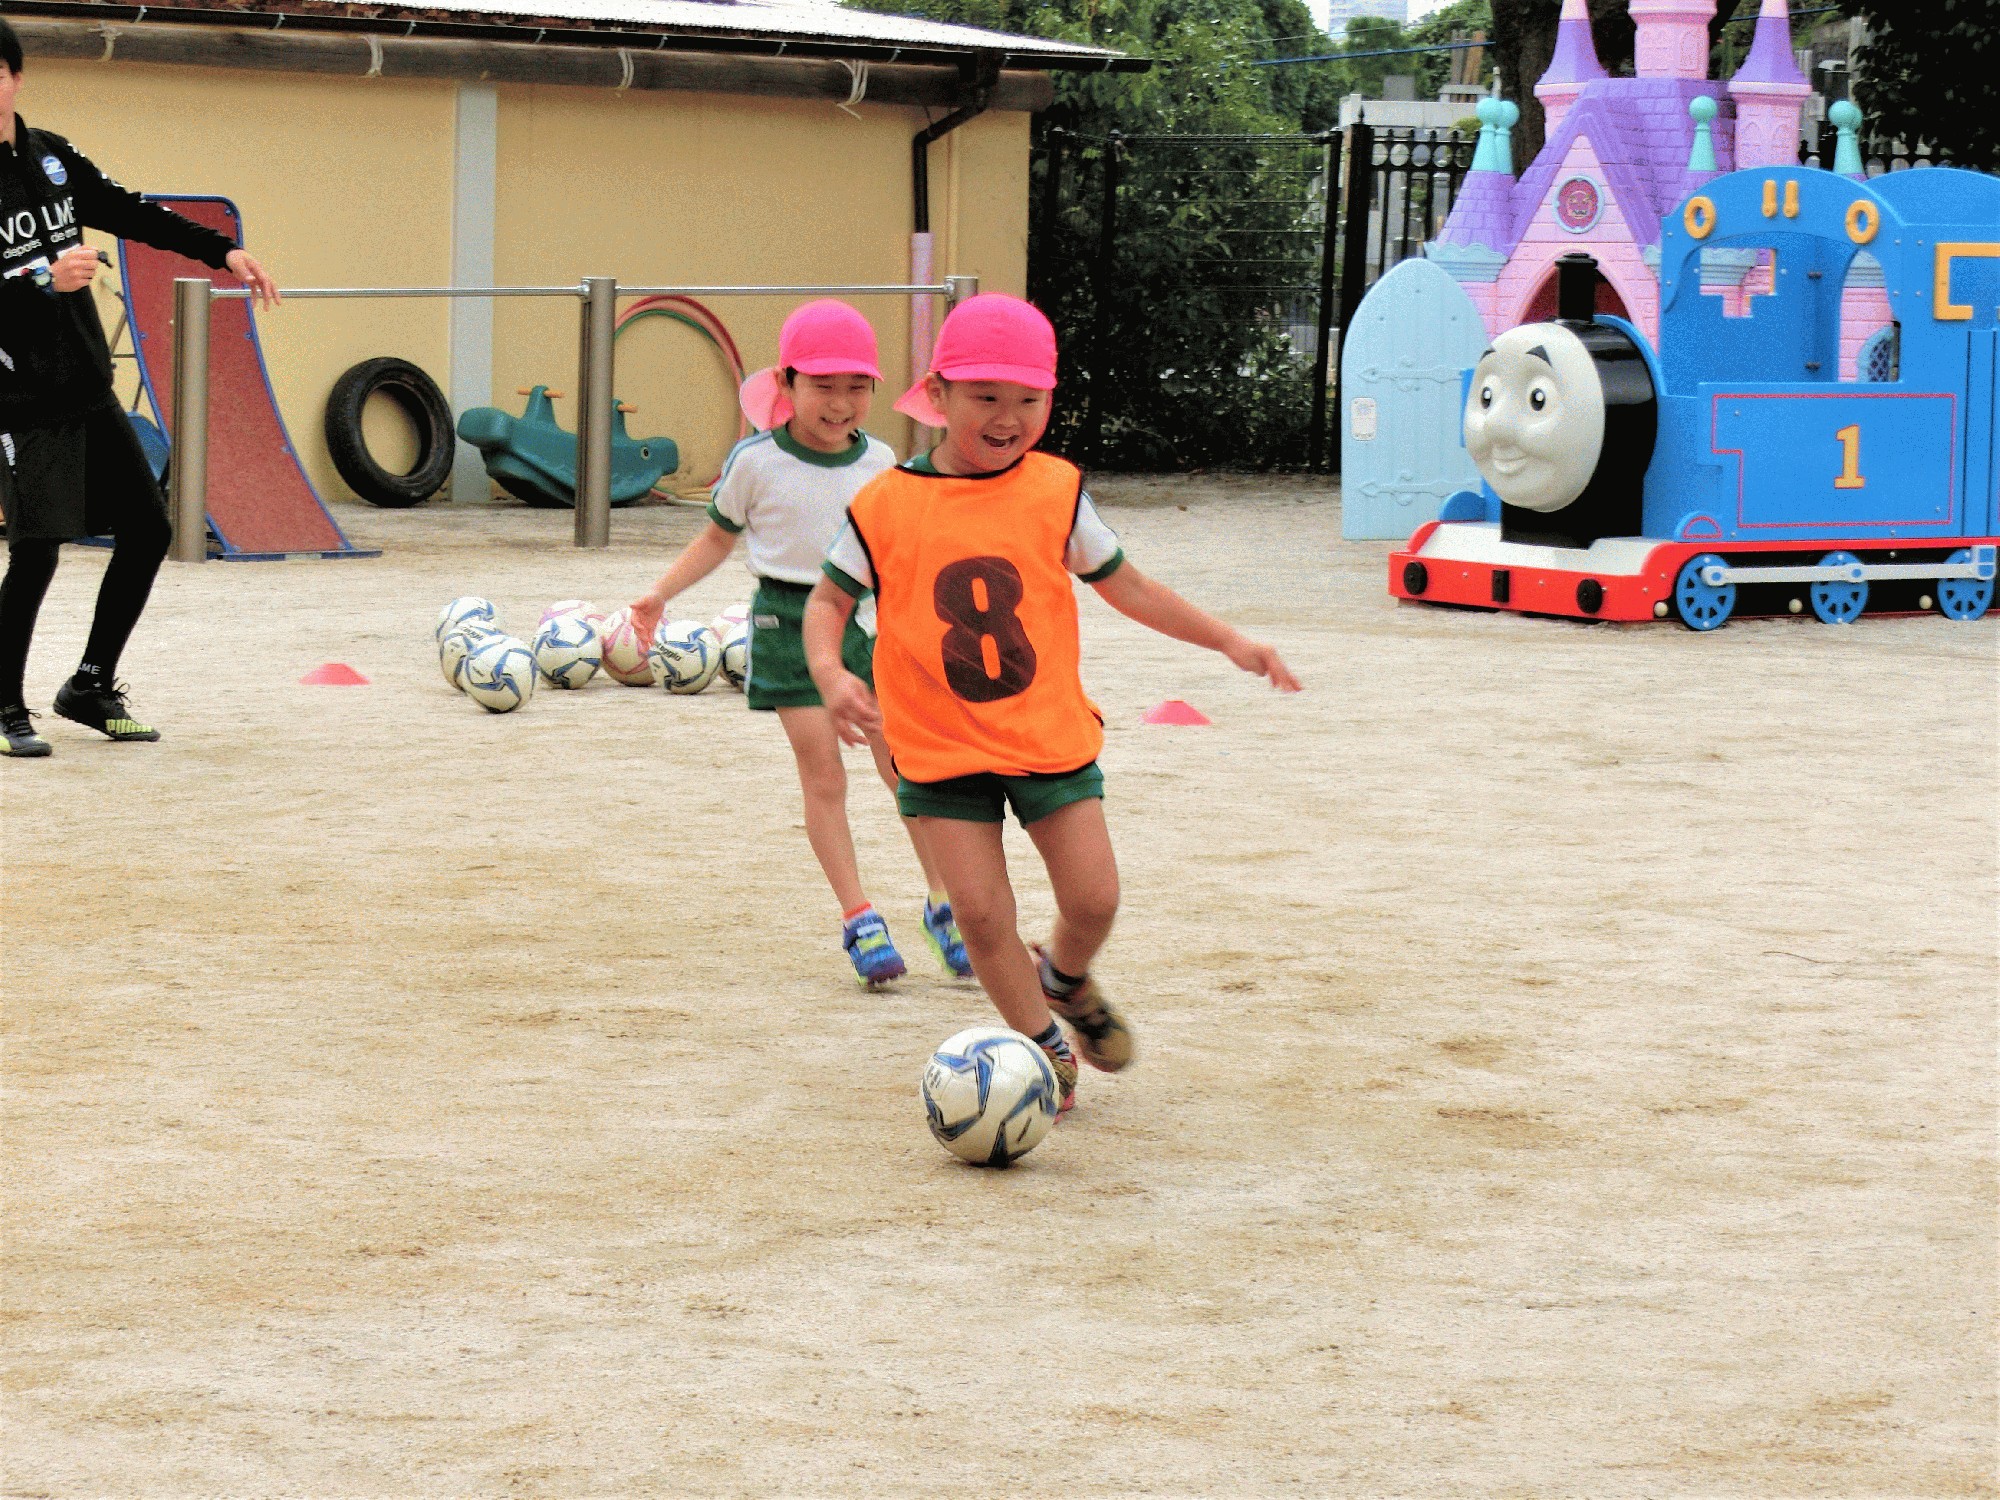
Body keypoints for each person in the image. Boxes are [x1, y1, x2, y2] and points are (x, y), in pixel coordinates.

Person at [803, 294, 1301, 1112]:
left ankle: (1064, 978)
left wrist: (1228, 641)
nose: (1007, 418)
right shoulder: (884, 504)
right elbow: (825, 603)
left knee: (1095, 897)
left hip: (1047, 734)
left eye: (1027, 401)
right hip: (937, 748)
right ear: (937, 395)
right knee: (982, 918)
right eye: (985, 398)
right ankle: (1039, 1049)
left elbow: (1129, 586)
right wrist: (830, 672)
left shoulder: (1057, 491)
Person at [628, 299, 970, 988]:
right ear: (785, 385)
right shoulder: (754, 462)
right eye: (822, 385)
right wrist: (661, 594)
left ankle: (945, 903)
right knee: (824, 776)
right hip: (785, 626)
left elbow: (900, 555)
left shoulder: (881, 461)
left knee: (908, 771)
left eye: (856, 386)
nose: (840, 403)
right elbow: (716, 539)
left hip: (865, 628)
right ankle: (860, 917)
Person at [0, 14, 279, 759]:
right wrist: (39, 277)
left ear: (15, 77)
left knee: (149, 528)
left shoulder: (52, 159)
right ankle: (3, 706)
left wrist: (224, 252)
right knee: (38, 548)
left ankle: (89, 684)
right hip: (17, 397)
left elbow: (130, 212)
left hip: (87, 383)